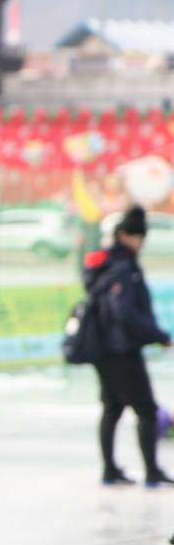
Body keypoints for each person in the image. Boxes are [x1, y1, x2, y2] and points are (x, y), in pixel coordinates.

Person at [84, 206, 174, 487]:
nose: (140, 243)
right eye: (138, 237)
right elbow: (124, 312)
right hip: (121, 349)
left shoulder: (104, 262)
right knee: (146, 410)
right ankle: (151, 472)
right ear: (124, 235)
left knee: (112, 408)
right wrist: (158, 335)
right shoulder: (124, 267)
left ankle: (110, 470)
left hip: (102, 347)